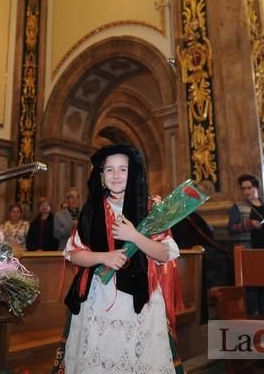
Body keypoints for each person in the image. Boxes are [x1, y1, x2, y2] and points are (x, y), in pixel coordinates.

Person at [54, 144, 182, 373]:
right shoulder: (91, 209)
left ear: (132, 173)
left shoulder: (151, 207)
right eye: (109, 170)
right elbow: (74, 254)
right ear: (101, 175)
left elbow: (165, 253)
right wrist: (104, 257)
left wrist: (134, 236)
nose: (116, 175)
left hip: (141, 302)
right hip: (98, 300)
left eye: (123, 169)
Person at [228, 174, 264, 316]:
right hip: (250, 250)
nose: (246, 191)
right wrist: (248, 224)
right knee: (253, 285)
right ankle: (254, 314)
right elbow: (231, 228)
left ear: (256, 188)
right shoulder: (238, 207)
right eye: (243, 189)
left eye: (249, 188)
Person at [54, 186, 81, 250]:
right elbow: (57, 234)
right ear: (67, 200)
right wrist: (71, 226)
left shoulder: (84, 214)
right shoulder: (59, 215)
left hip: (82, 250)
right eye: (71, 197)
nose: (74, 200)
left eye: (77, 197)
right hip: (65, 250)